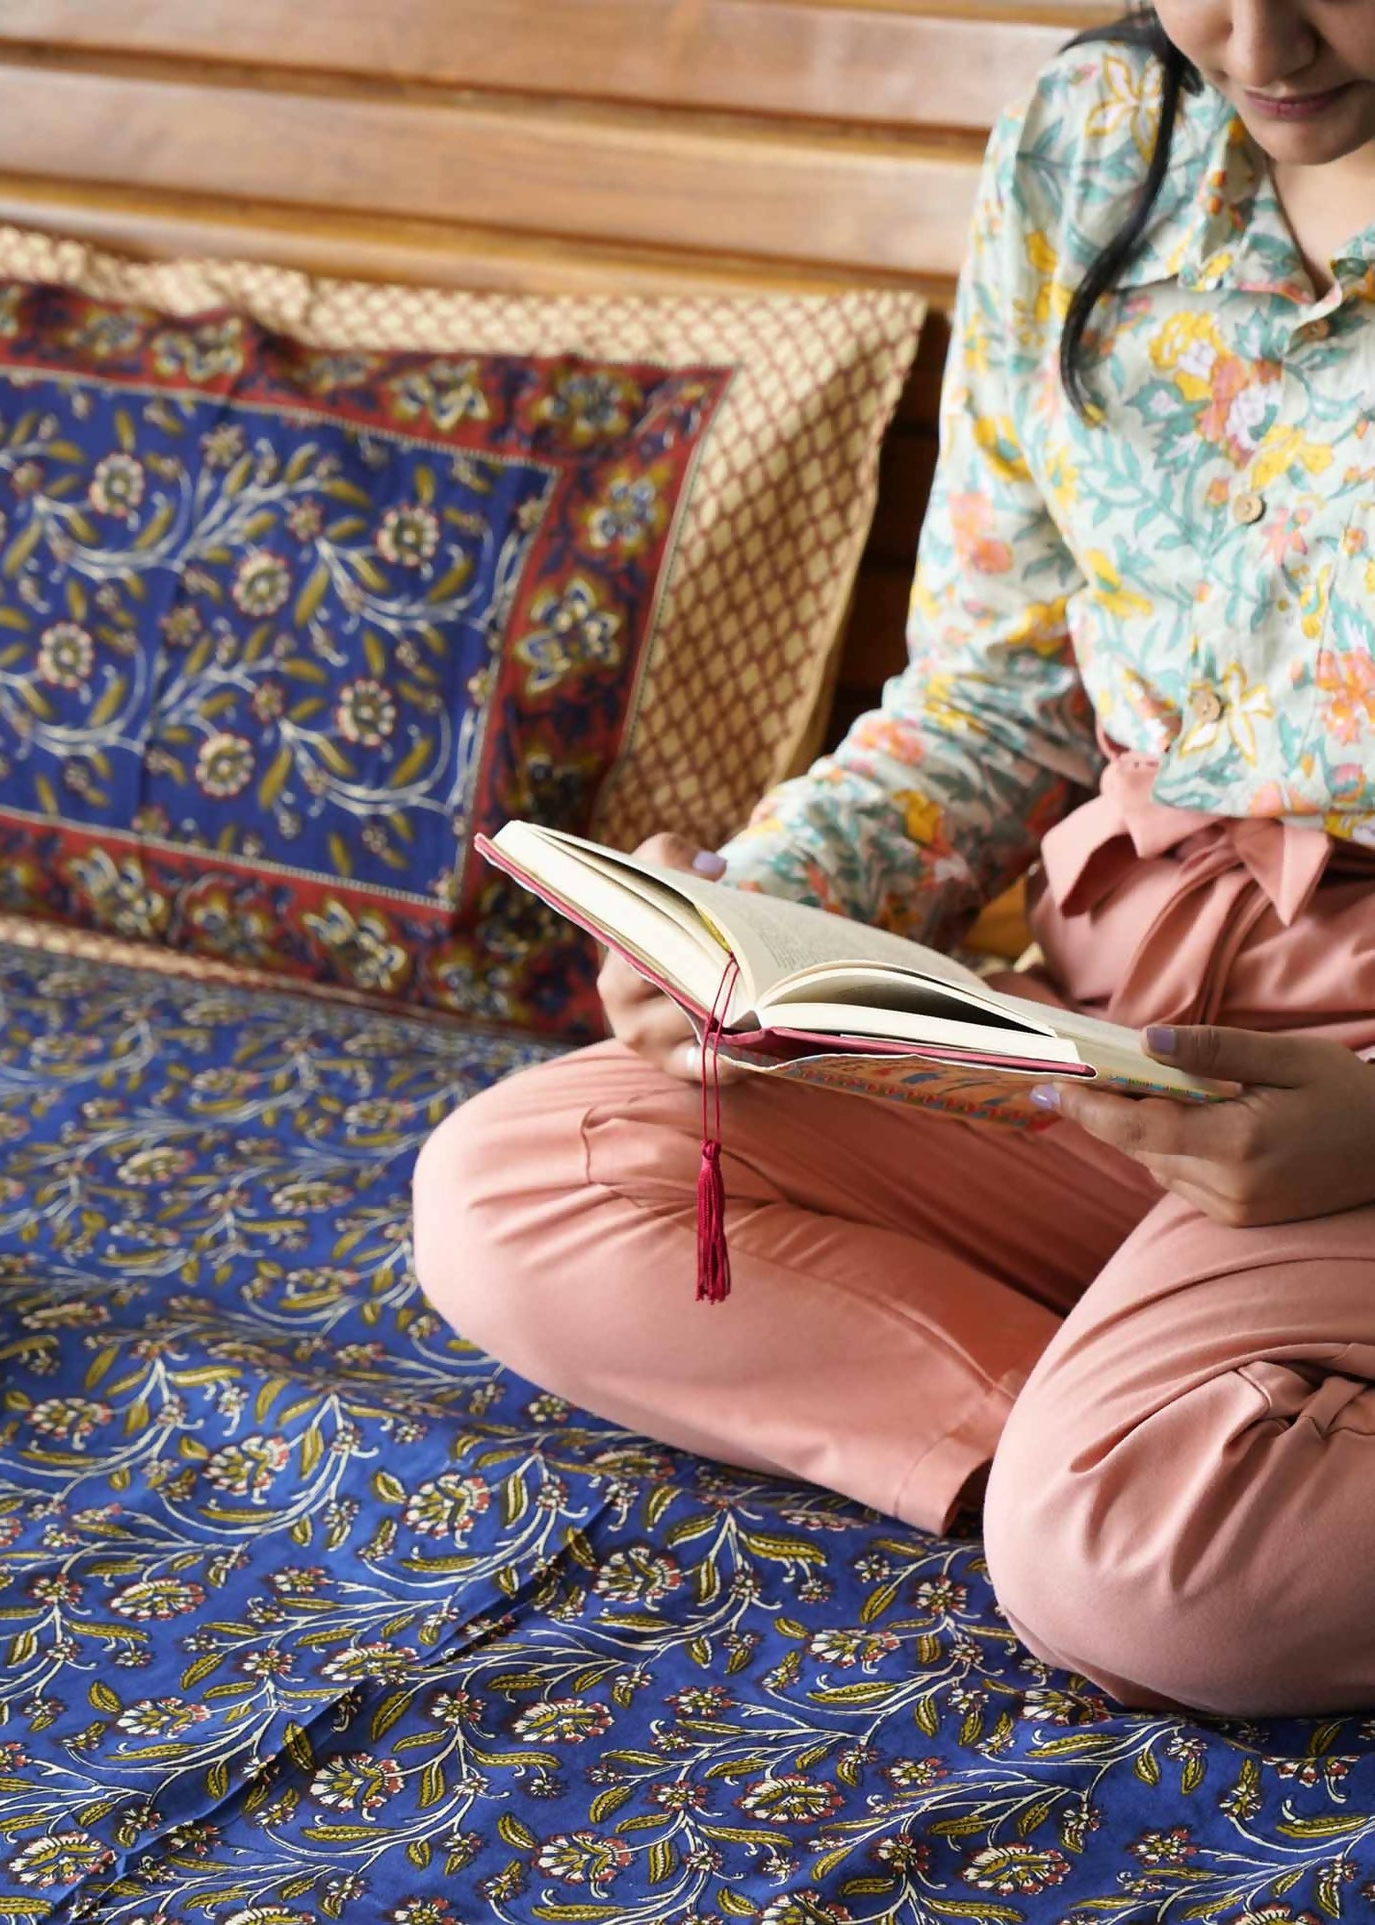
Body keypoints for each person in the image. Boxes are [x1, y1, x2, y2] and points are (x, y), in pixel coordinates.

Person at [413, 1, 1375, 1718]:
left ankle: (1147, 1480)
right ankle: (1131, 1426)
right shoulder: (1098, 137)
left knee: (1154, 1574)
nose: (1254, 31)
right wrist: (764, 908)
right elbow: (995, 693)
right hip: (1116, 1040)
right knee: (516, 1185)